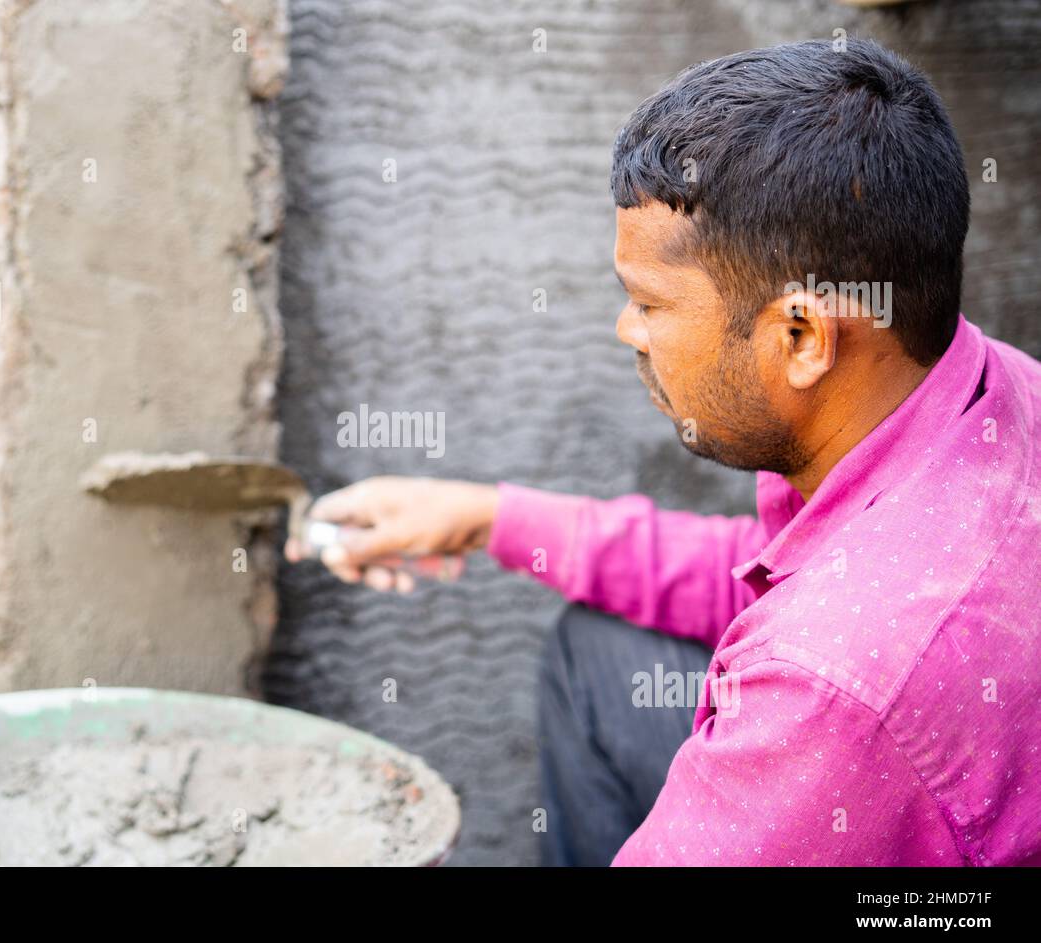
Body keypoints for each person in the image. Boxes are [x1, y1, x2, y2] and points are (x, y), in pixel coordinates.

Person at [285, 38, 1041, 866]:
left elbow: (832, 643)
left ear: (801, 337)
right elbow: (774, 569)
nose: (626, 329)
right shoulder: (993, 392)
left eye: (649, 302)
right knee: (603, 655)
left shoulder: (830, 688)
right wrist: (488, 518)